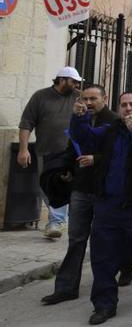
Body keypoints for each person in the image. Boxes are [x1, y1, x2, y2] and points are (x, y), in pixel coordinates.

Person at [69, 92, 132, 325]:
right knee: (102, 257)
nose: (127, 109)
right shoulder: (111, 129)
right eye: (123, 105)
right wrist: (79, 118)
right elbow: (85, 139)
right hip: (108, 206)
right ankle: (104, 305)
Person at [41, 85, 119, 306]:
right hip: (81, 188)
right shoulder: (79, 119)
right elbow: (71, 148)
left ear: (105, 98)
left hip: (104, 191)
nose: (89, 102)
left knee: (104, 241)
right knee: (76, 239)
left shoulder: (113, 121)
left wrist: (96, 158)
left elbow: (119, 155)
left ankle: (110, 283)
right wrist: (65, 170)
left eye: (93, 98)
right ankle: (66, 288)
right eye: (85, 98)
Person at [18, 66, 82, 238]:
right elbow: (26, 123)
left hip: (71, 152)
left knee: (64, 184)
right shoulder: (40, 97)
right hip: (45, 151)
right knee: (47, 185)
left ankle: (56, 221)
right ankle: (59, 220)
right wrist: (23, 150)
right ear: (62, 80)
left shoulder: (79, 98)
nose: (77, 84)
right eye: (73, 81)